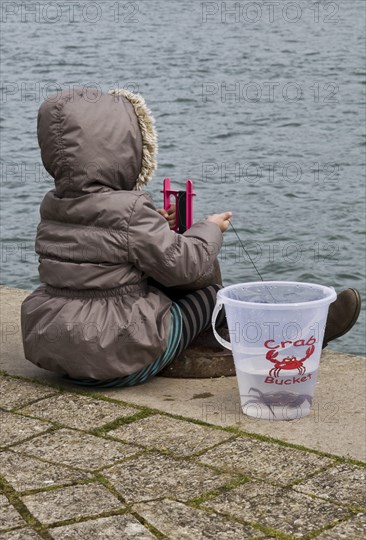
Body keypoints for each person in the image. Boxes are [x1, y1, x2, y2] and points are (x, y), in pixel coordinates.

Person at [20, 88, 361, 388]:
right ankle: (288, 339)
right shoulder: (131, 208)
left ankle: (213, 340)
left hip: (56, 345)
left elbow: (101, 249)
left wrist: (154, 223)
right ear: (124, 148)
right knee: (212, 295)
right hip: (112, 351)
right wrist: (209, 228)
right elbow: (185, 266)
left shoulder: (53, 205)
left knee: (155, 289)